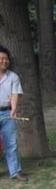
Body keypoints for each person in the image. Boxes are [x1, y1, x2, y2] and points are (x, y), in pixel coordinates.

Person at [0, 46, 27, 181]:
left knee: (11, 143)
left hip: (7, 112)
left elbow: (15, 94)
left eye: (6, 59)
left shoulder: (13, 77)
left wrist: (13, 110)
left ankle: (15, 171)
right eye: (1, 59)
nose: (4, 61)